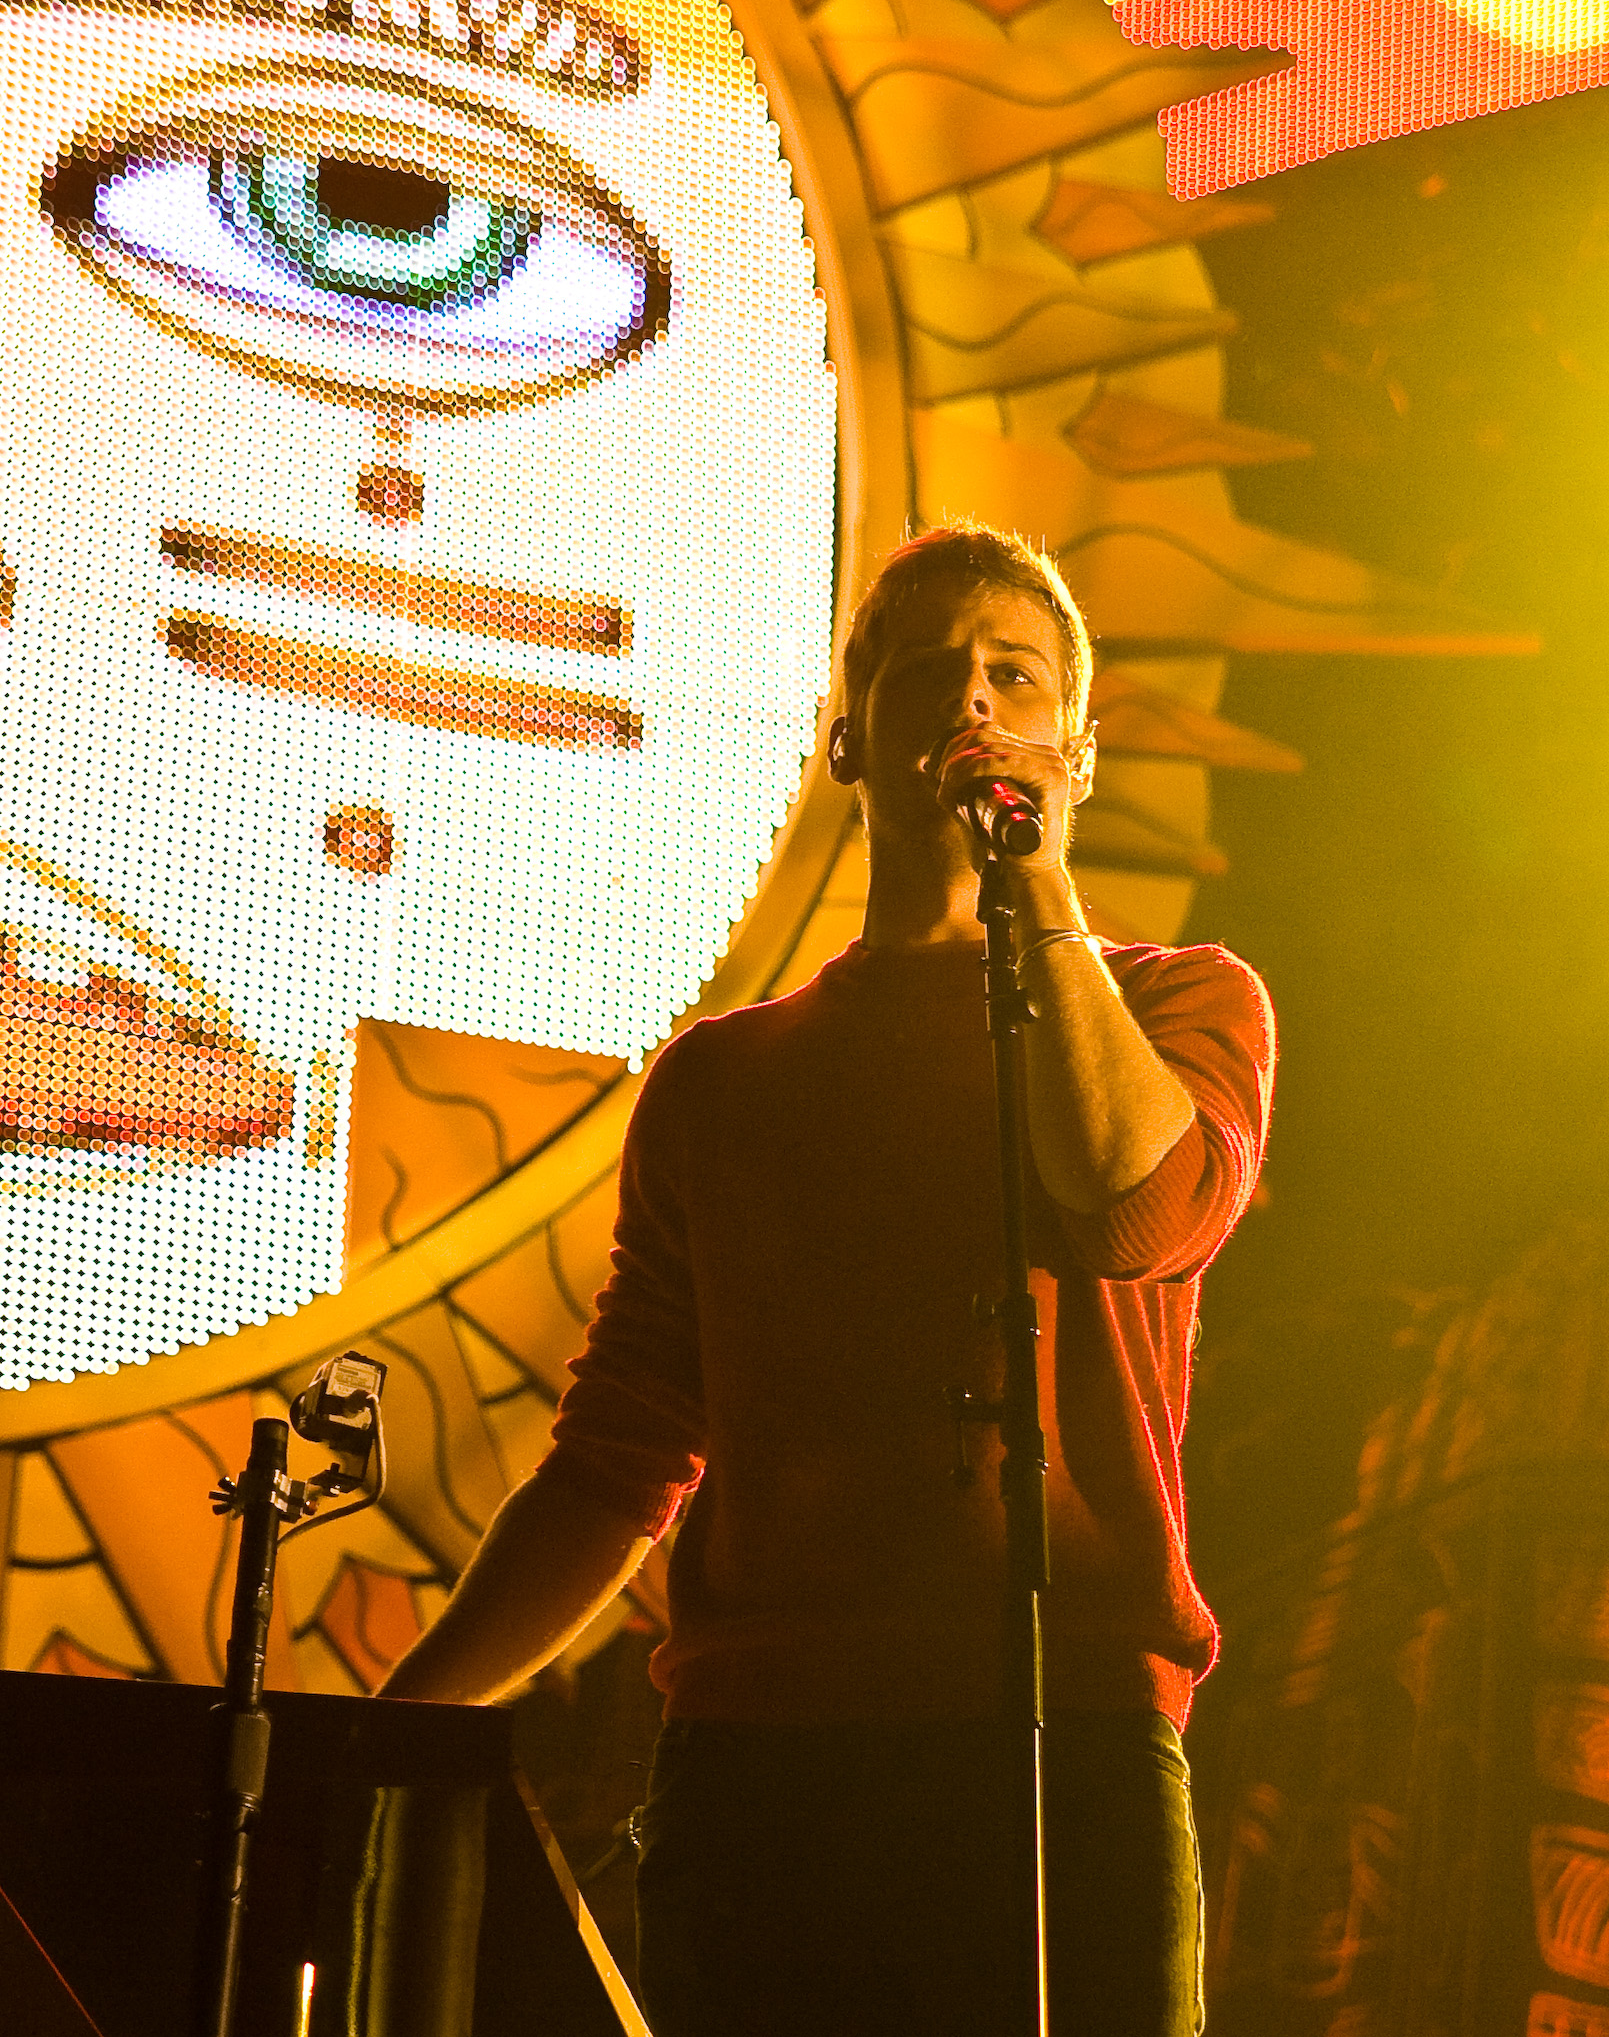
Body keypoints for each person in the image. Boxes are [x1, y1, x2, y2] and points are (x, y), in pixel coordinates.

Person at [379, 522, 1275, 2036]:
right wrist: (385, 1737)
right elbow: (617, 1463)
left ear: (1079, 749)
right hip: (767, 1765)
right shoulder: (727, 1085)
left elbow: (1135, 1212)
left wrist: (1035, 889)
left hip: (1073, 1742)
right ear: (850, 738)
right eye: (930, 670)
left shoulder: (1181, 1000)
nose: (976, 702)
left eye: (1016, 675)